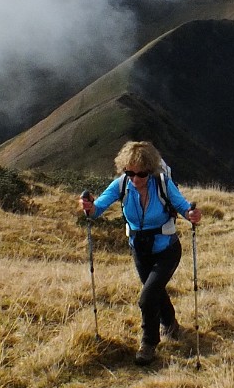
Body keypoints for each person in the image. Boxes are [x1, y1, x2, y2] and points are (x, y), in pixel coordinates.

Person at [80, 141, 201, 365]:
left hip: (167, 250)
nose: (135, 179)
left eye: (141, 174)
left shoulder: (163, 184)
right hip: (140, 251)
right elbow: (97, 209)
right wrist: (88, 207)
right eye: (130, 172)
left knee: (147, 298)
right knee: (155, 292)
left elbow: (184, 207)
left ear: (151, 170)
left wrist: (192, 215)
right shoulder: (121, 185)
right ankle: (171, 325)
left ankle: (149, 343)